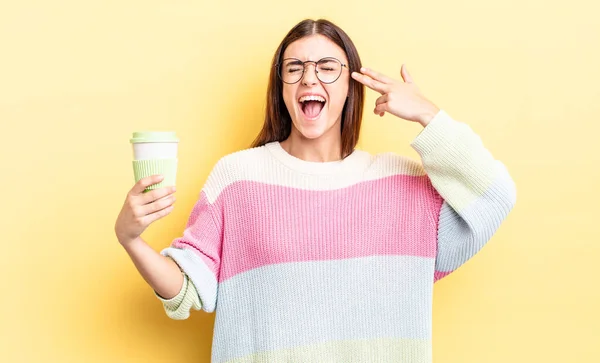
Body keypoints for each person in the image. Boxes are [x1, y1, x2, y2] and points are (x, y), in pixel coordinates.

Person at [115, 18, 516, 363]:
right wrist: (130, 238)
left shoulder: (403, 186)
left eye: (327, 67)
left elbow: (495, 196)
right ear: (282, 86)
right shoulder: (239, 180)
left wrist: (427, 114)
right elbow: (187, 289)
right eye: (295, 68)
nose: (309, 77)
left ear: (351, 85)